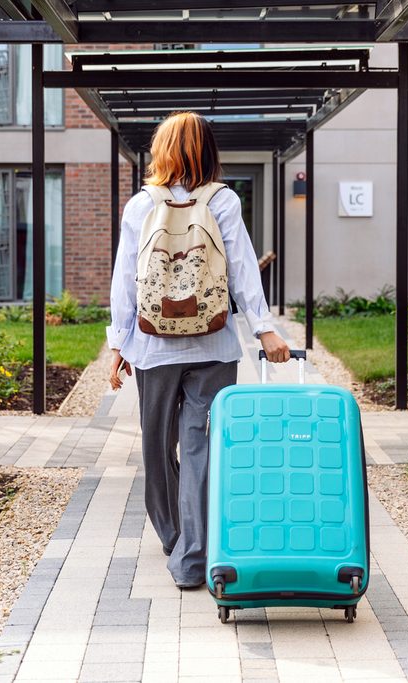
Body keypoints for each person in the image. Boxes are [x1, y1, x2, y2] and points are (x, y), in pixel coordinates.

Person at [106, 112, 291, 589]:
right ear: (210, 151)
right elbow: (244, 269)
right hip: (214, 344)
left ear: (160, 151)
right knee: (199, 447)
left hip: (153, 346)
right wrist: (264, 331)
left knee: (156, 446)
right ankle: (192, 552)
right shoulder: (224, 201)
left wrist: (119, 344)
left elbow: (126, 280)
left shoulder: (140, 205)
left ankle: (175, 536)